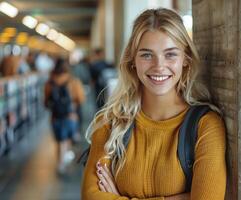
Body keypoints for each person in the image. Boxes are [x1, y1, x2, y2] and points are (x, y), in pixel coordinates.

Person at [82, 8, 226, 200]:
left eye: (170, 54)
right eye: (147, 55)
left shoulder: (205, 125)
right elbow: (90, 195)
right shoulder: (110, 122)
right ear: (133, 60)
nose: (159, 66)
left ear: (186, 59)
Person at [44, 57, 85, 173]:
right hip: (70, 116)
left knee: (60, 140)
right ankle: (61, 163)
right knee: (65, 139)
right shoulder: (73, 81)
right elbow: (81, 99)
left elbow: (46, 102)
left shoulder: (49, 83)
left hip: (55, 117)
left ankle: (61, 160)